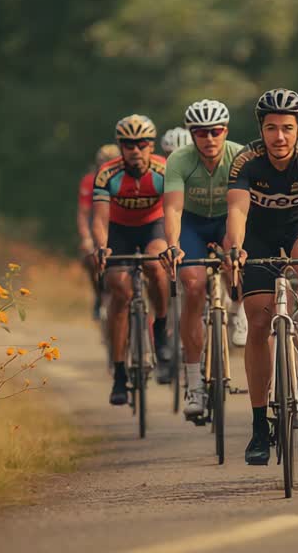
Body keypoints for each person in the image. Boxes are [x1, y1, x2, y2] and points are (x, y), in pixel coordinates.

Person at [225, 89, 298, 465]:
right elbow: (238, 211)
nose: (280, 137)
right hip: (257, 237)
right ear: (261, 128)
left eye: (288, 128)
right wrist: (237, 247)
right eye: (271, 128)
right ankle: (260, 427)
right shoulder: (246, 160)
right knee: (257, 321)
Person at [161, 99, 247, 422]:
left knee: (234, 261)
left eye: (215, 131)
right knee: (194, 286)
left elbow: (241, 207)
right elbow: (172, 209)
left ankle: (237, 309)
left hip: (229, 217)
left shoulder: (239, 156)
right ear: (191, 134)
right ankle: (195, 384)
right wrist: (172, 245)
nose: (209, 139)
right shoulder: (179, 160)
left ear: (225, 131)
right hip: (194, 225)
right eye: (200, 132)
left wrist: (235, 244)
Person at [92, 114, 173, 405]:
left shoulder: (165, 171)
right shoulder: (107, 174)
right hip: (120, 231)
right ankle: (118, 374)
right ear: (120, 146)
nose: (135, 150)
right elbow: (100, 220)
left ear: (151, 146)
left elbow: (174, 212)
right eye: (128, 144)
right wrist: (101, 247)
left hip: (154, 227)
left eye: (141, 144)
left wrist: (173, 245)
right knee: (119, 290)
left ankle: (161, 328)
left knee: (155, 263)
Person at [79, 144, 120, 320]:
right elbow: (84, 213)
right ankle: (99, 293)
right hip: (98, 225)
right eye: (104, 162)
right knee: (91, 258)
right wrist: (86, 237)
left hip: (119, 225)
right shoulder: (90, 181)